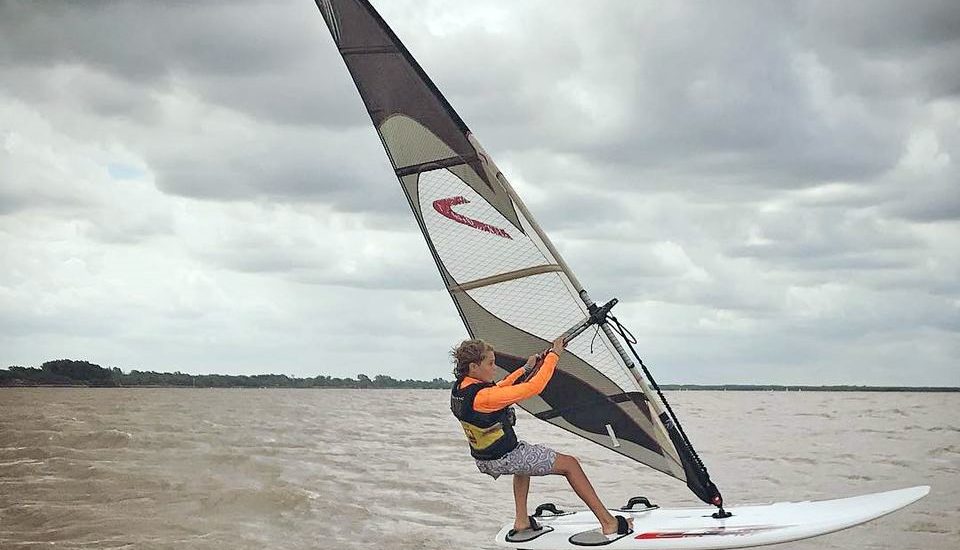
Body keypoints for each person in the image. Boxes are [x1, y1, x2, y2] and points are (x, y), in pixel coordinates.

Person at [450, 336, 633, 543]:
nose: (494, 368)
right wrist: (554, 355)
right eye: (490, 363)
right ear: (474, 366)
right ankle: (609, 522)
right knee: (570, 465)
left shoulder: (461, 389)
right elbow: (534, 388)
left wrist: (526, 369)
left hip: (486, 458)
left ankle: (521, 521)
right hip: (504, 457)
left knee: (523, 461)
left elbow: (499, 387)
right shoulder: (484, 398)